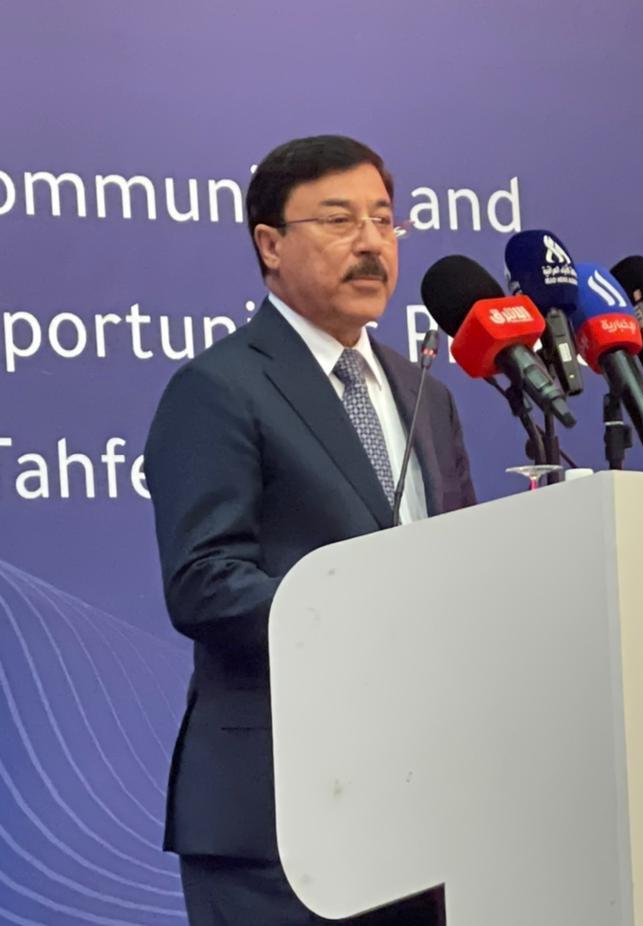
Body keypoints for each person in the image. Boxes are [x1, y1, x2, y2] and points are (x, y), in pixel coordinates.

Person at [144, 135, 474, 924]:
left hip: (420, 805)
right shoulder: (219, 388)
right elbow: (204, 582)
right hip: (276, 816)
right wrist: (368, 628)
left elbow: (462, 565)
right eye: (338, 220)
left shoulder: (424, 393)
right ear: (270, 244)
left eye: (384, 220)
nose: (371, 243)